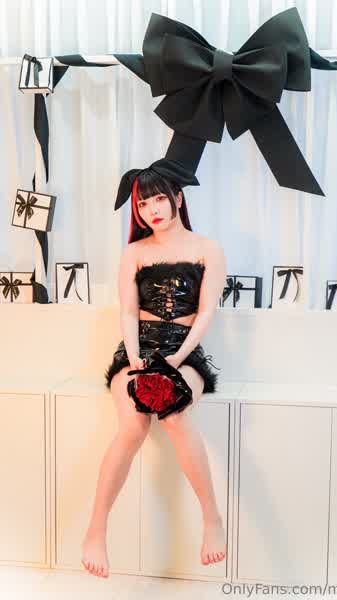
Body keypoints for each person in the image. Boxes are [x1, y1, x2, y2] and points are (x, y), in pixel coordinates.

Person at [81, 164, 227, 578]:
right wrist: (134, 357)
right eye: (143, 204)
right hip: (138, 347)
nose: (153, 210)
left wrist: (176, 358)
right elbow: (129, 312)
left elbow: (206, 312)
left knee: (175, 415)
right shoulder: (135, 252)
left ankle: (212, 519)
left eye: (159, 199)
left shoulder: (208, 249)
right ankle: (96, 528)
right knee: (132, 426)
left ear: (178, 198)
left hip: (185, 350)